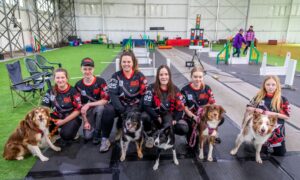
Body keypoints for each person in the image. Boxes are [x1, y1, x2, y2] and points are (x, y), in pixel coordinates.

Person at [142, 65, 188, 147]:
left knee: (183, 128)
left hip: (168, 116)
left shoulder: (175, 89)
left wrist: (175, 119)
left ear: (169, 76)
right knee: (144, 117)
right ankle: (150, 136)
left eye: (166, 74)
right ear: (158, 76)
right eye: (161, 75)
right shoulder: (151, 87)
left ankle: (166, 139)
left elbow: (180, 108)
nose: (164, 77)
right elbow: (146, 105)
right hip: (155, 116)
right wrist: (156, 116)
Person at [75, 58, 115, 152]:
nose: (87, 71)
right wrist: (85, 121)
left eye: (90, 69)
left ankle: (98, 133)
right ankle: (94, 128)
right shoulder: (78, 85)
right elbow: (79, 106)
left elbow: (105, 100)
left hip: (99, 109)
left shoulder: (100, 81)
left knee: (101, 108)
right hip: (88, 113)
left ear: (93, 69)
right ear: (81, 69)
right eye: (85, 69)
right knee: (88, 136)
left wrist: (89, 104)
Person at [108, 50, 147, 140]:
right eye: (124, 62)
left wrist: (138, 108)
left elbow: (145, 94)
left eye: (129, 62)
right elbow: (112, 94)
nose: (126, 64)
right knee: (107, 110)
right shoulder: (115, 76)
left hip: (135, 106)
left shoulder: (140, 76)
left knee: (145, 114)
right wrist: (122, 109)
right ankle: (106, 137)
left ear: (133, 63)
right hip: (121, 106)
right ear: (120, 63)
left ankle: (144, 133)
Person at [247, 75, 290, 156]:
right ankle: (258, 142)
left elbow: (287, 116)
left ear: (277, 86)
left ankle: (272, 144)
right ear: (264, 85)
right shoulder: (258, 97)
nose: (270, 87)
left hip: (276, 132)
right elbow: (248, 107)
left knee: (280, 154)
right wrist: (256, 109)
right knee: (252, 150)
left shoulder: (283, 99)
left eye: (273, 85)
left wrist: (273, 114)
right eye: (268, 84)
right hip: (261, 130)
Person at [181, 66, 223, 146]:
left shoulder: (207, 89)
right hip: (191, 117)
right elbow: (185, 109)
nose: (198, 79)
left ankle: (212, 133)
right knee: (190, 138)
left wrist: (206, 115)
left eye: (200, 77)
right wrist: (195, 117)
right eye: (195, 77)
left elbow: (213, 104)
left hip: (204, 116)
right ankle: (193, 132)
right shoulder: (185, 90)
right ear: (191, 77)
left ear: (203, 77)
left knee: (221, 118)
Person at [42, 68, 82, 146]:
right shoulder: (50, 91)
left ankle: (73, 131)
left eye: (62, 77)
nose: (60, 80)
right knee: (42, 119)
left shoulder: (73, 91)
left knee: (66, 135)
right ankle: (55, 134)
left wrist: (63, 122)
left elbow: (78, 110)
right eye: (57, 77)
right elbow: (44, 107)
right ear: (54, 79)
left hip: (71, 118)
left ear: (67, 78)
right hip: (57, 117)